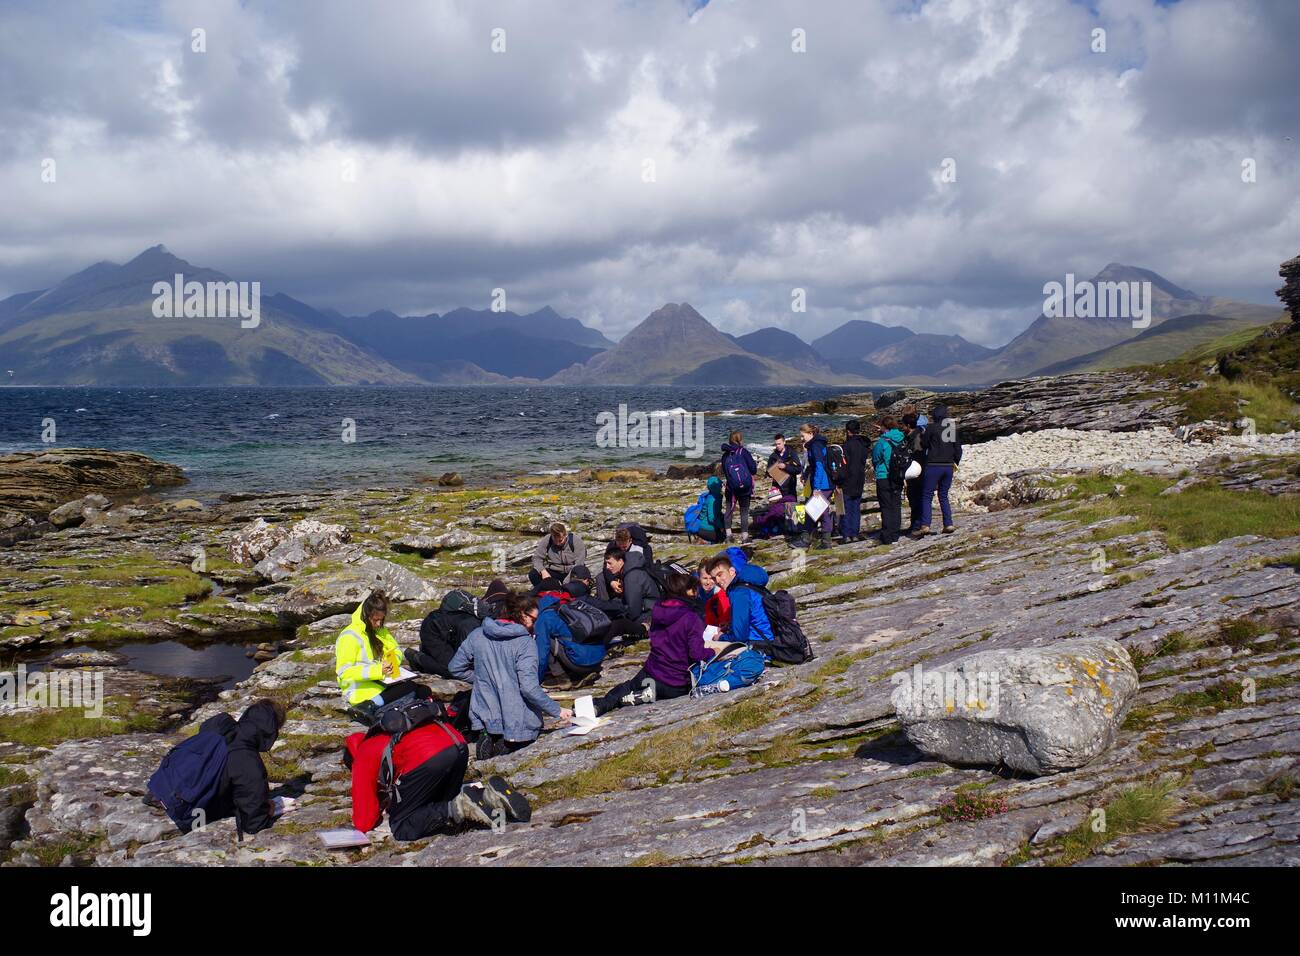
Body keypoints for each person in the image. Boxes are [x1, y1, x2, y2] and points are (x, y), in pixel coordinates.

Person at [346, 703, 529, 840]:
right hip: (457, 744)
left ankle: (461, 805)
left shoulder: (362, 754)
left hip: (428, 756)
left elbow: (364, 821)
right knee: (437, 803)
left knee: (402, 826)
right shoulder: (383, 734)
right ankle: (490, 796)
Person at [449, 592, 572, 759]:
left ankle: (491, 736)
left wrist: (483, 680)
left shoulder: (478, 634)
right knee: (521, 735)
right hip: (516, 715)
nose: (534, 626)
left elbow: (455, 667)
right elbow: (529, 688)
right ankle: (507, 743)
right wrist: (557, 710)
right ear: (522, 614)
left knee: (492, 725)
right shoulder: (525, 643)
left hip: (487, 709)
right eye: (533, 620)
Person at [146, 698, 288, 839]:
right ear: (271, 731)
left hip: (159, 788)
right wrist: (266, 811)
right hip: (182, 812)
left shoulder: (218, 730)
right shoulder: (247, 760)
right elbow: (253, 825)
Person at [593, 572, 711, 715]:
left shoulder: (658, 610)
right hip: (676, 682)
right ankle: (649, 695)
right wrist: (712, 651)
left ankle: (602, 705)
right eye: (693, 589)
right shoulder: (691, 618)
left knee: (628, 686)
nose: (696, 593)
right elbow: (696, 654)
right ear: (687, 591)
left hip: (652, 670)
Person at [335, 591, 430, 721]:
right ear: (366, 615)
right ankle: (368, 707)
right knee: (411, 688)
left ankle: (383, 708)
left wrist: (391, 662)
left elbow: (396, 650)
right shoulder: (350, 636)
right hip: (360, 689)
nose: (379, 624)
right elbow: (344, 672)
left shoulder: (380, 631)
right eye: (375, 620)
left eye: (381, 619)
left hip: (383, 683)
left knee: (424, 690)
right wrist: (378, 670)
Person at [534, 575, 606, 686]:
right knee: (565, 636)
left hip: (581, 663)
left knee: (545, 640)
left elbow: (542, 654)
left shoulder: (544, 617)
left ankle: (562, 678)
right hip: (598, 658)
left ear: (542, 595)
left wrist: (536, 680)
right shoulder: (573, 602)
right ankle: (574, 672)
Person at [703, 553, 774, 646]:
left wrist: (720, 637)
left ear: (732, 571)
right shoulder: (747, 585)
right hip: (767, 639)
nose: (718, 581)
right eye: (714, 578)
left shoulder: (739, 593)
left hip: (760, 646)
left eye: (720, 575)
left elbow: (740, 637)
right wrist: (730, 625)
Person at [596, 545, 661, 644]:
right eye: (606, 564)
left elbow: (633, 612)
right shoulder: (629, 570)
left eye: (610, 563)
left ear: (621, 561)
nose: (607, 567)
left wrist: (616, 615)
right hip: (645, 608)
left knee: (617, 625)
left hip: (649, 613)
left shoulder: (631, 577)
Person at [918, 404, 962, 535]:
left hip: (933, 465)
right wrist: (955, 462)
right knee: (943, 495)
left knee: (927, 495)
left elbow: (924, 444)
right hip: (948, 466)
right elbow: (958, 449)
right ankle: (948, 524)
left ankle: (925, 525)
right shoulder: (951, 428)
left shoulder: (931, 428)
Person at [798, 423, 835, 550]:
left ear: (810, 434)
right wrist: (807, 473)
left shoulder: (816, 445)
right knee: (813, 510)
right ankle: (810, 538)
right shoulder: (816, 444)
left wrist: (817, 487)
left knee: (820, 511)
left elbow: (819, 465)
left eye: (803, 436)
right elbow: (814, 465)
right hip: (823, 482)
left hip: (824, 484)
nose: (801, 439)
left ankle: (825, 542)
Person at [872, 416, 906, 545]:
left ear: (884, 427)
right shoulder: (902, 438)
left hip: (884, 475)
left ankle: (887, 535)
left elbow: (876, 458)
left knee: (886, 506)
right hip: (898, 474)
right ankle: (895, 533)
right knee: (896, 504)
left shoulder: (882, 442)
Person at [719, 430, 758, 543]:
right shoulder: (743, 451)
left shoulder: (725, 455)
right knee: (744, 511)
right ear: (739, 440)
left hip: (731, 487)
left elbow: (725, 472)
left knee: (729, 510)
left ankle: (729, 536)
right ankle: (745, 537)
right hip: (745, 487)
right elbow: (753, 469)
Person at [529, 522, 587, 592]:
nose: (557, 543)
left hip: (572, 573)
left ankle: (561, 590)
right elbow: (537, 557)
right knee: (534, 573)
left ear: (566, 535)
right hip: (555, 572)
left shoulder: (576, 541)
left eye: (560, 540)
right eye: (555, 540)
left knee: (580, 573)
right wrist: (543, 571)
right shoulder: (548, 539)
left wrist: (565, 583)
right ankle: (545, 593)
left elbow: (579, 564)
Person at [839, 419, 872, 542]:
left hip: (848, 479)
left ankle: (847, 534)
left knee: (847, 507)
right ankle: (855, 533)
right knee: (856, 507)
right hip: (859, 478)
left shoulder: (847, 446)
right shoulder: (863, 445)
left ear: (848, 431)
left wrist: (839, 480)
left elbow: (843, 465)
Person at [901, 412, 927, 534]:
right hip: (917, 471)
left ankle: (917, 524)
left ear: (907, 425)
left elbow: (918, 454)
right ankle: (916, 523)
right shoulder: (917, 434)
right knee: (915, 498)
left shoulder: (916, 437)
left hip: (917, 472)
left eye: (903, 425)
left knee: (916, 498)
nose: (902, 427)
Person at [697, 560, 731, 630]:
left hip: (715, 634)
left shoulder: (722, 597)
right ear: (699, 578)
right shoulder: (695, 593)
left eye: (712, 578)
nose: (708, 582)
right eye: (705, 578)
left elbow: (724, 622)